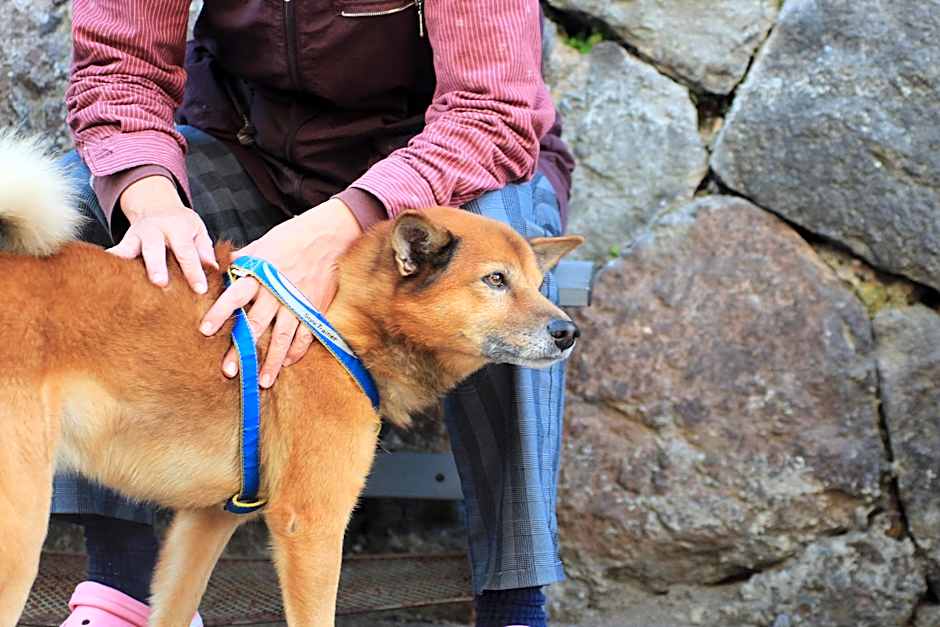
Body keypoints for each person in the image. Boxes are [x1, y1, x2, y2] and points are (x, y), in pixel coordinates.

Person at [54, 1, 576, 626]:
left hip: (441, 175)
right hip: (251, 153)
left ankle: (513, 608)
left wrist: (342, 224)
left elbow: (492, 113)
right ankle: (127, 593)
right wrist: (149, 193)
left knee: (503, 255)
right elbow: (118, 64)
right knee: (84, 205)